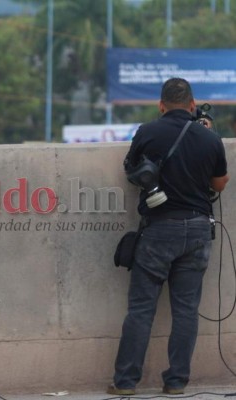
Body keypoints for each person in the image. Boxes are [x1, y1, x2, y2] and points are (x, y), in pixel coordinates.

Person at [107, 78, 229, 396]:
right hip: (198, 230)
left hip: (159, 229)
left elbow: (132, 171)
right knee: (186, 310)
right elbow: (219, 184)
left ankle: (125, 382)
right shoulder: (208, 137)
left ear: (161, 106)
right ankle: (176, 382)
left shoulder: (148, 132)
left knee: (141, 309)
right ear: (192, 105)